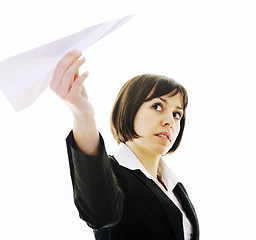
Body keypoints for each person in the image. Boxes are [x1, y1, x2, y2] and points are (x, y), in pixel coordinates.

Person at [50, 50, 199, 240]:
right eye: (157, 106)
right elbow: (100, 213)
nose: (170, 120)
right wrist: (83, 114)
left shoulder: (174, 186)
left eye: (177, 114)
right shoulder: (113, 173)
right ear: (129, 108)